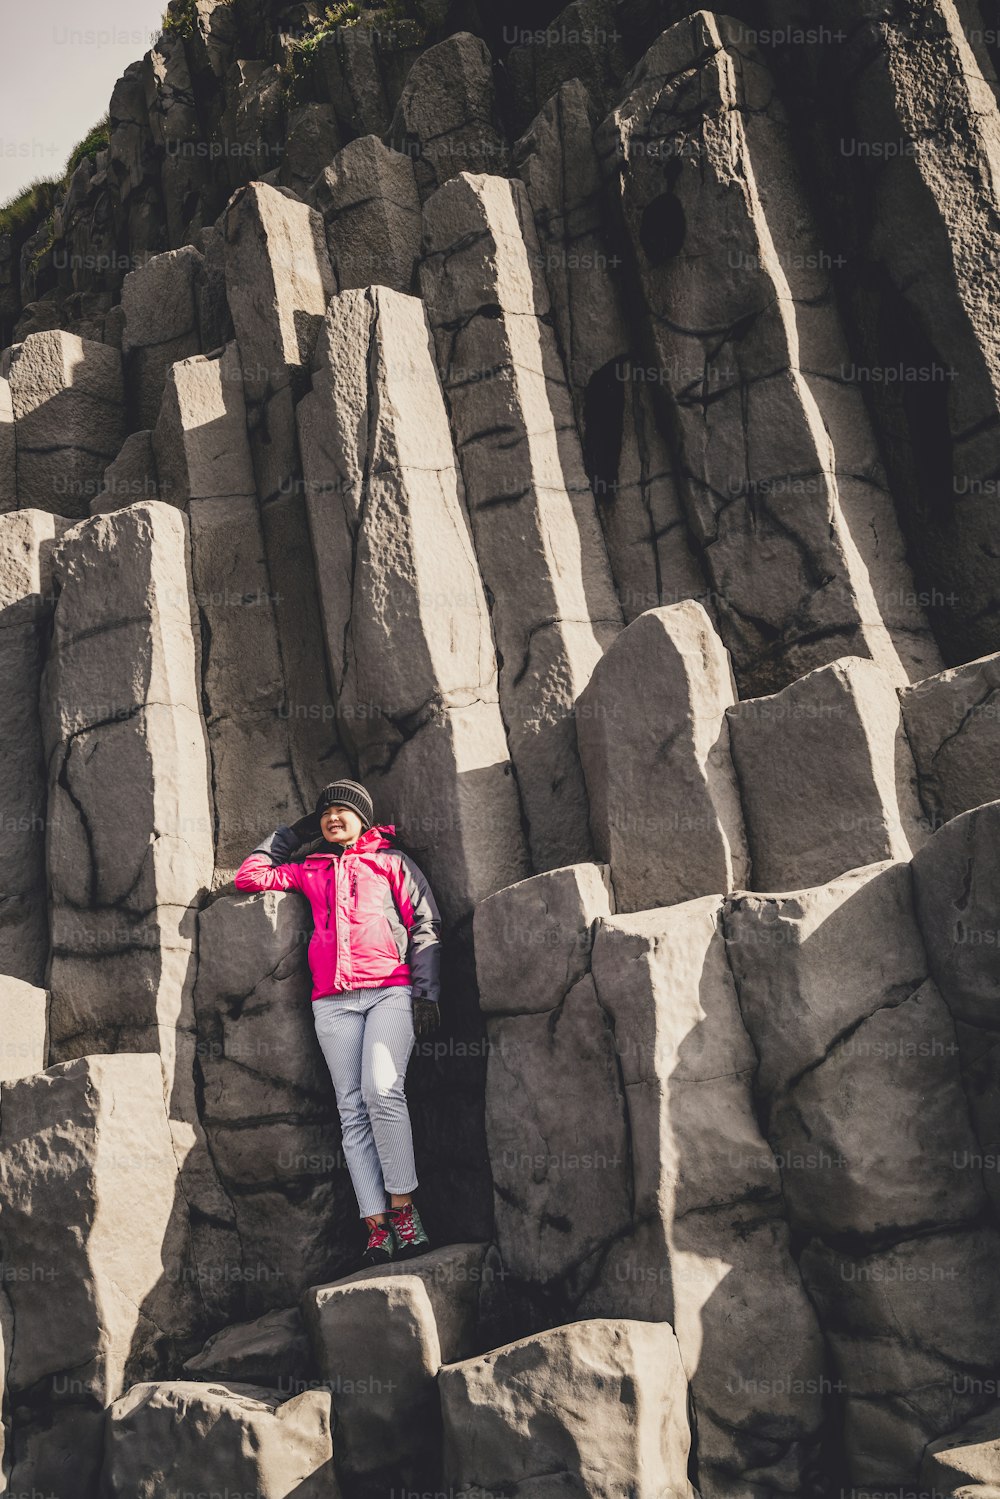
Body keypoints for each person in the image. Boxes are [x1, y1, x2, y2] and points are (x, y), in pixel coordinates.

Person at [234, 778, 442, 1268]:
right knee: (351, 1110)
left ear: (363, 818)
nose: (332, 817)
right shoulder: (311, 868)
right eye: (324, 813)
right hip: (332, 1002)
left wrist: (427, 992)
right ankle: (376, 1228)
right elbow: (250, 876)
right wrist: (293, 832)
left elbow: (425, 923)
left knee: (382, 1092)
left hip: (391, 989)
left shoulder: (392, 863)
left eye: (342, 810)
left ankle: (405, 1213)